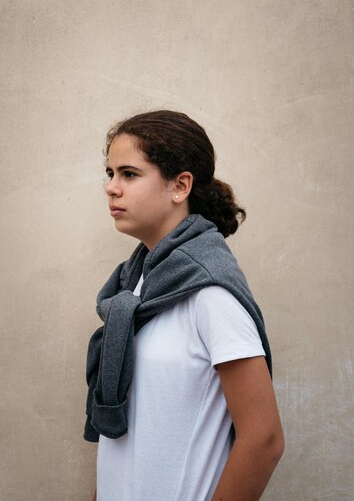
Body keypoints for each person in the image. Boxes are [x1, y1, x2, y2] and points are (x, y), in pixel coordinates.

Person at [85, 109, 284, 501]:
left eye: (129, 174)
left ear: (180, 186)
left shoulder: (211, 293)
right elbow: (128, 436)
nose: (111, 187)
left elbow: (264, 439)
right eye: (110, 174)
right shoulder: (136, 283)